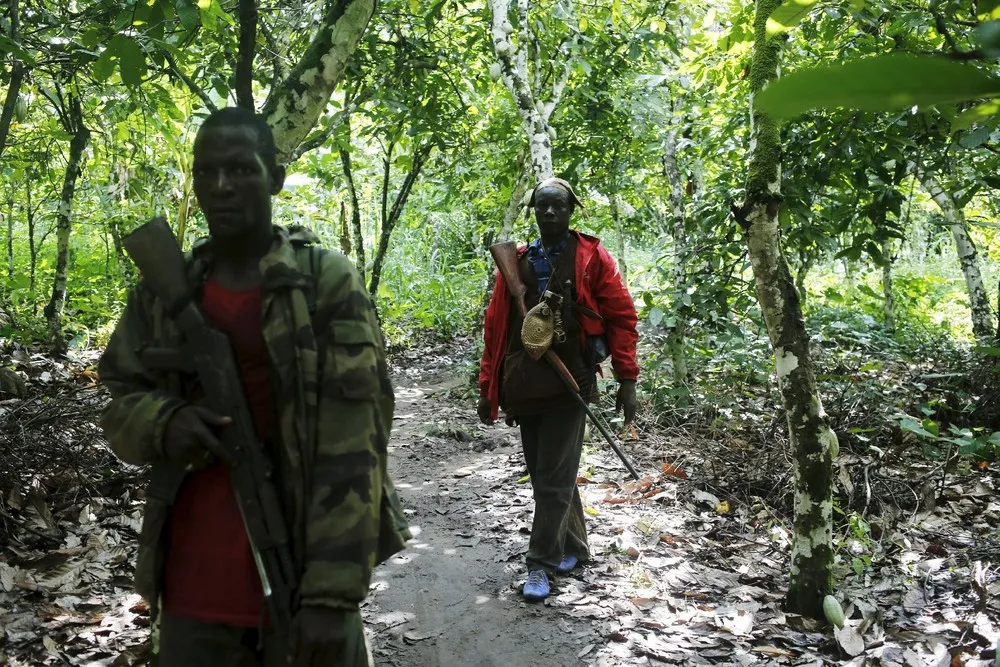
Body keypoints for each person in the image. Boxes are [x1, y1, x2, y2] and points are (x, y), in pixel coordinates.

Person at [98, 107, 410, 666]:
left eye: (240, 169)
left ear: (274, 177)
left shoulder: (322, 282)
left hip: (304, 580)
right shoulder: (164, 295)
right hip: (193, 588)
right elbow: (120, 399)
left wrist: (332, 596)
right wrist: (165, 423)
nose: (221, 186)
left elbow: (355, 443)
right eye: (207, 171)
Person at [477, 177, 639, 601]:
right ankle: (576, 546)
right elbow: (496, 329)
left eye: (558, 207)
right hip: (526, 384)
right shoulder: (520, 261)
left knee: (553, 478)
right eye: (542, 206)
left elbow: (623, 317)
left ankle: (540, 565)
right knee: (549, 476)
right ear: (534, 211)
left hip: (573, 382)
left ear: (571, 212)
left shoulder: (591, 258)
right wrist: (486, 388)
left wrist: (628, 380)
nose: (549, 213)